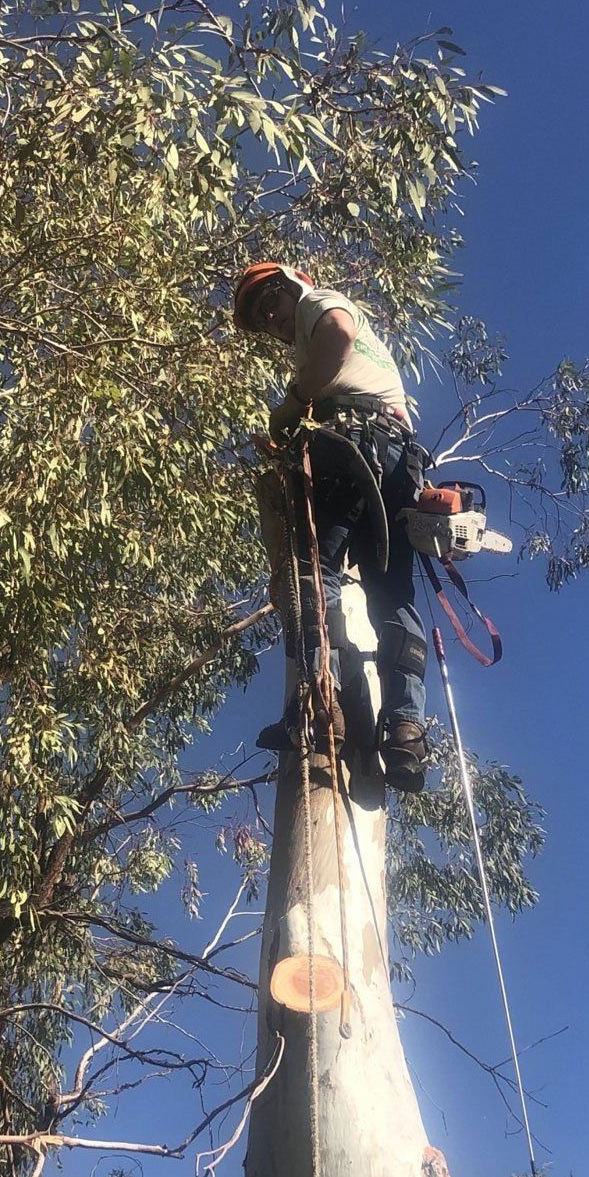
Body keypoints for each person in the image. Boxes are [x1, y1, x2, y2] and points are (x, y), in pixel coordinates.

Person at [233, 262, 429, 792]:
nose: (270, 319)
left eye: (269, 303)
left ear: (291, 284)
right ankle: (406, 730)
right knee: (392, 593)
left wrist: (292, 406)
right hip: (396, 457)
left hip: (350, 443)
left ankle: (317, 706)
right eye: (260, 318)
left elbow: (337, 335)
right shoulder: (356, 347)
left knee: (314, 574)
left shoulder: (320, 304)